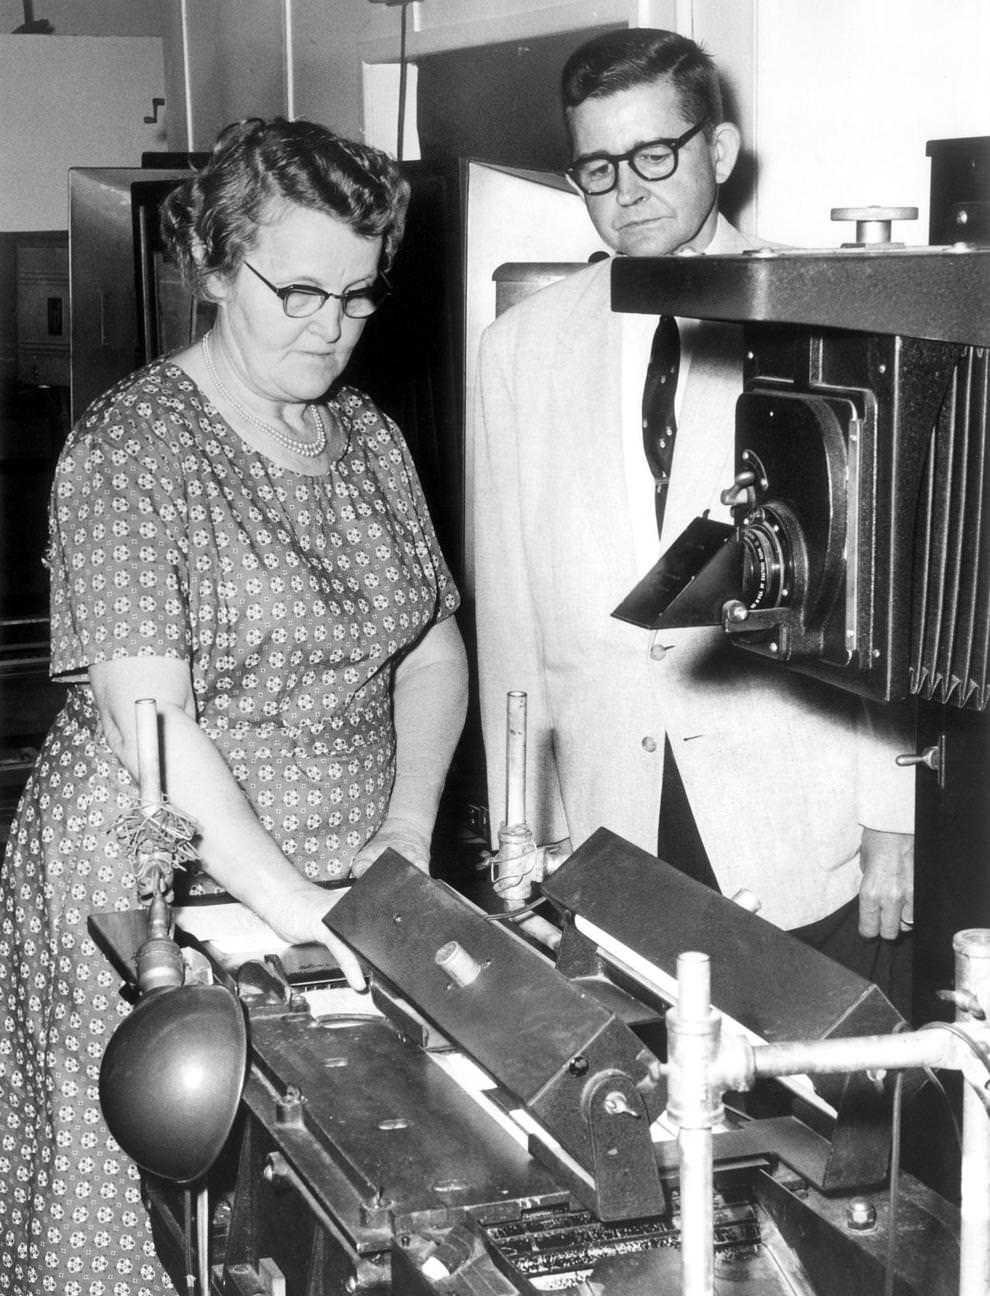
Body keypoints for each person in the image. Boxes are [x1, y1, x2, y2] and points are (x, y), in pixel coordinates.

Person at [0, 118, 467, 1295]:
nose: (332, 327)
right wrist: (298, 903)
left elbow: (432, 648)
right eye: (299, 290)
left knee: (317, 1215)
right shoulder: (131, 450)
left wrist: (404, 835)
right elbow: (151, 726)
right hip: (157, 883)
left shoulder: (367, 437)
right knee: (154, 1223)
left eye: (359, 297)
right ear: (213, 266)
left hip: (341, 878)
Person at [472, 30, 914, 995]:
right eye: (596, 165)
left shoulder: (826, 313)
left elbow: (888, 584)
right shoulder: (517, 350)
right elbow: (509, 613)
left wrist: (895, 815)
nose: (624, 189)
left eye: (653, 156)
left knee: (816, 1115)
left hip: (798, 830)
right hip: (609, 823)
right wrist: (526, 828)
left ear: (717, 151)